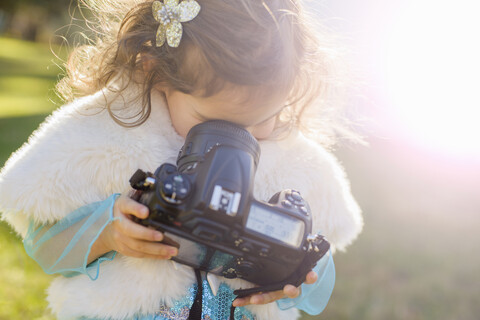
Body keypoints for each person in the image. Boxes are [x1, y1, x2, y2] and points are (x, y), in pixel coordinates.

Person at [0, 0, 363, 319]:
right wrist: (106, 230)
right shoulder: (110, 133)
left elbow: (320, 276)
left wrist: (299, 271)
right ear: (155, 70)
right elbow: (43, 244)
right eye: (211, 123)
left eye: (262, 120)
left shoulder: (293, 159)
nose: (243, 138)